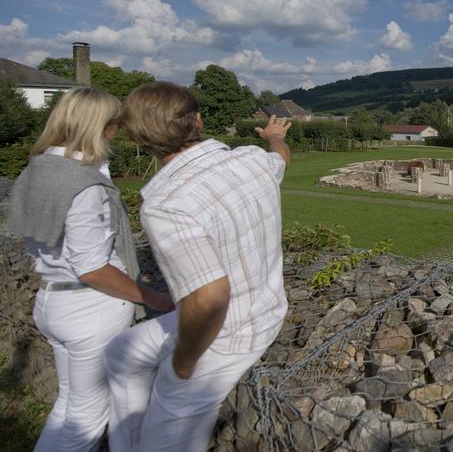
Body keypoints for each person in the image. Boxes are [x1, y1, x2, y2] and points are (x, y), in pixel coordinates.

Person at [104, 82, 291, 452]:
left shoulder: (166, 203)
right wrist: (272, 138)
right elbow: (281, 157)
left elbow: (208, 298)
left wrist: (184, 363)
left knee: (166, 439)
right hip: (257, 310)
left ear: (138, 139)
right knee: (121, 353)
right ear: (199, 121)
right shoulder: (251, 161)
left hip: (226, 335)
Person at [6, 87, 174, 452]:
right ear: (103, 126)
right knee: (86, 419)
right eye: (117, 123)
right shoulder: (84, 186)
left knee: (69, 405)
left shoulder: (39, 169)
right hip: (89, 308)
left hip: (52, 299)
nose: (120, 131)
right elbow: (93, 268)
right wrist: (154, 298)